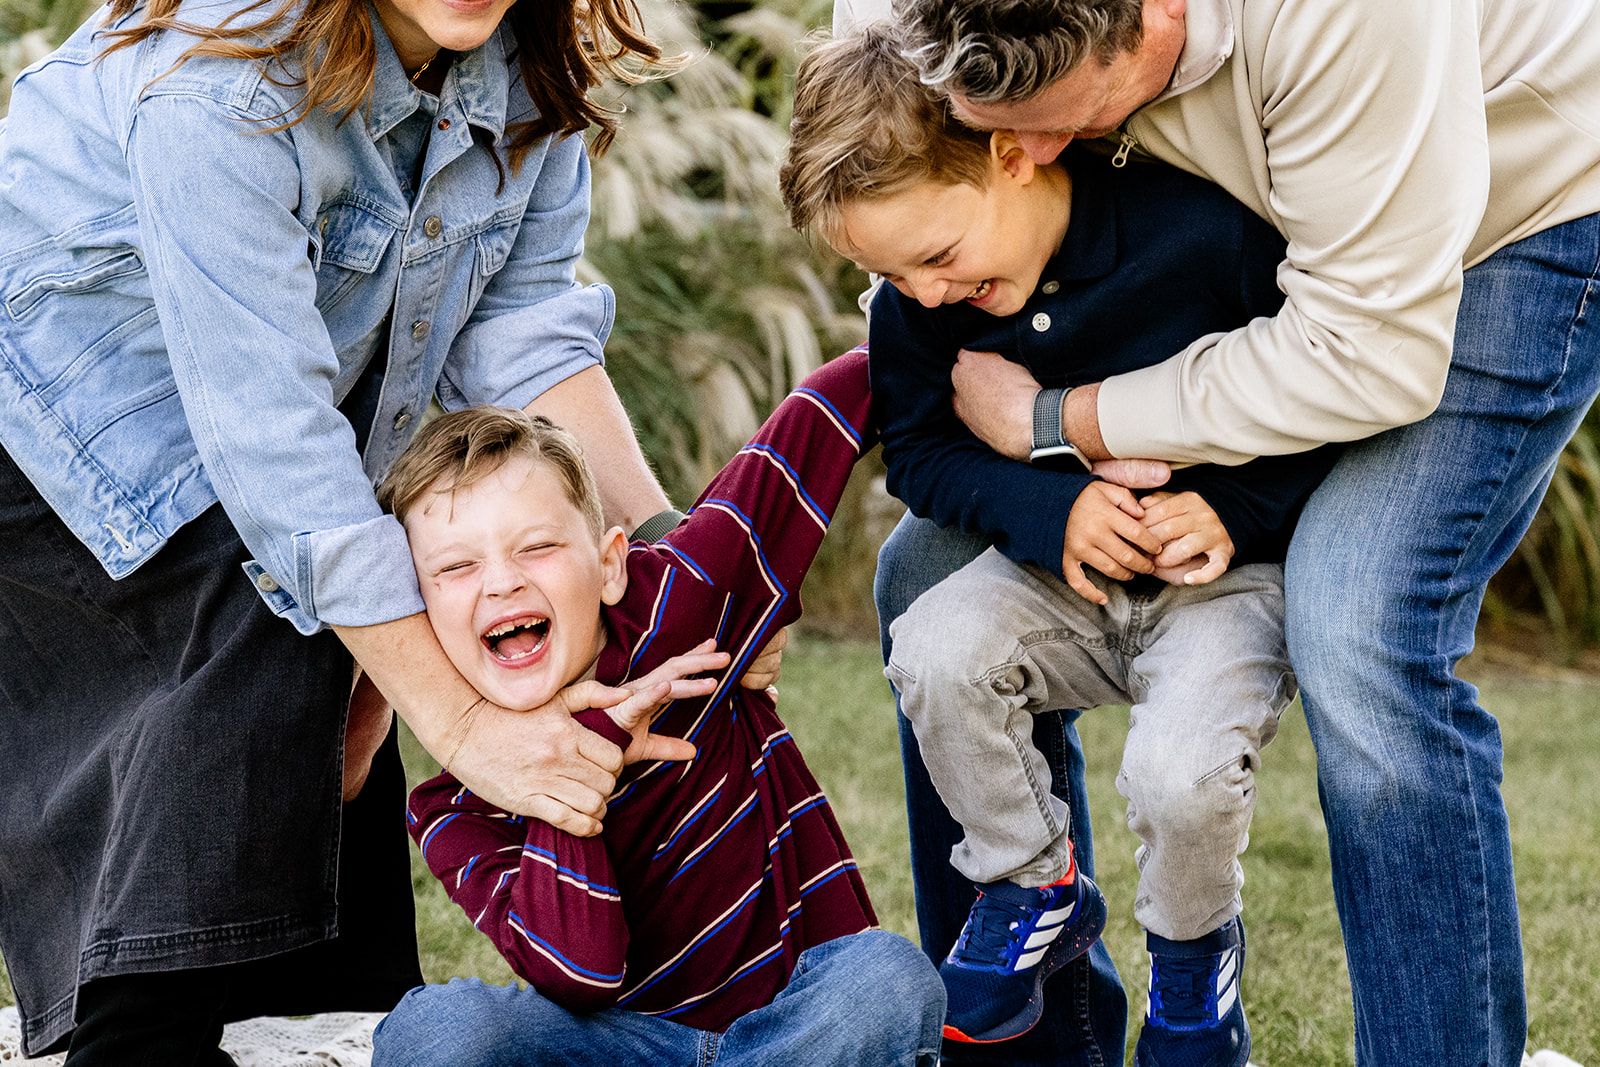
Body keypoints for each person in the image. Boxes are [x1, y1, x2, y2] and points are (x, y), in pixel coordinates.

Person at [0, 0, 781, 1059]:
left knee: (332, 703)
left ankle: (345, 1019)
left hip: (260, 443)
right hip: (52, 438)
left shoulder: (521, 68)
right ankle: (153, 1035)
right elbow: (280, 459)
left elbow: (525, 330)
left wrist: (672, 553)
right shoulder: (218, 85)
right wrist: (464, 727)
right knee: (282, 628)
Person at [832, 0, 1600, 1063]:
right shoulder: (917, 40)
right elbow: (911, 285)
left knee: (1359, 622)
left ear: (1153, 19)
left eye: (1058, 123)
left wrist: (1064, 423)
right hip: (1271, 240)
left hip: (1509, 210)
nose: (1029, 155)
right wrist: (1052, 486)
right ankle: (1035, 1031)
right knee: (923, 569)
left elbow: (1362, 353)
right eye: (992, 124)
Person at [780, 27, 1337, 1063]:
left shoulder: (1198, 233)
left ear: (1010, 151)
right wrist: (1054, 514)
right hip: (1052, 583)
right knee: (935, 646)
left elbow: (1323, 399)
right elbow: (921, 452)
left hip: (1223, 583)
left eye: (940, 257)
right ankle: (1032, 883)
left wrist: (1236, 509)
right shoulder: (922, 300)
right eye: (895, 275)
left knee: (1180, 775)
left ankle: (1190, 969)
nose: (930, 294)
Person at [366, 349, 945, 1066]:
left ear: (609, 563)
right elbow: (582, 972)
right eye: (456, 566)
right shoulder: (456, 806)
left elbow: (821, 416)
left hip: (797, 1019)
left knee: (886, 978)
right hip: (625, 1044)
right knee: (434, 1030)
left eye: (537, 546)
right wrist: (583, 756)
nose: (501, 583)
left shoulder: (679, 600)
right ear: (422, 613)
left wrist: (936, 341)